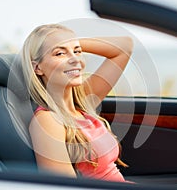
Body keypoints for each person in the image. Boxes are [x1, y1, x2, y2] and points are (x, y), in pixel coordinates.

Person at [20, 23, 133, 182]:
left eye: (77, 51)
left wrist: (68, 42)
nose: (75, 60)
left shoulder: (82, 101)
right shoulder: (48, 121)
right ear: (37, 68)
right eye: (59, 54)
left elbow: (125, 46)